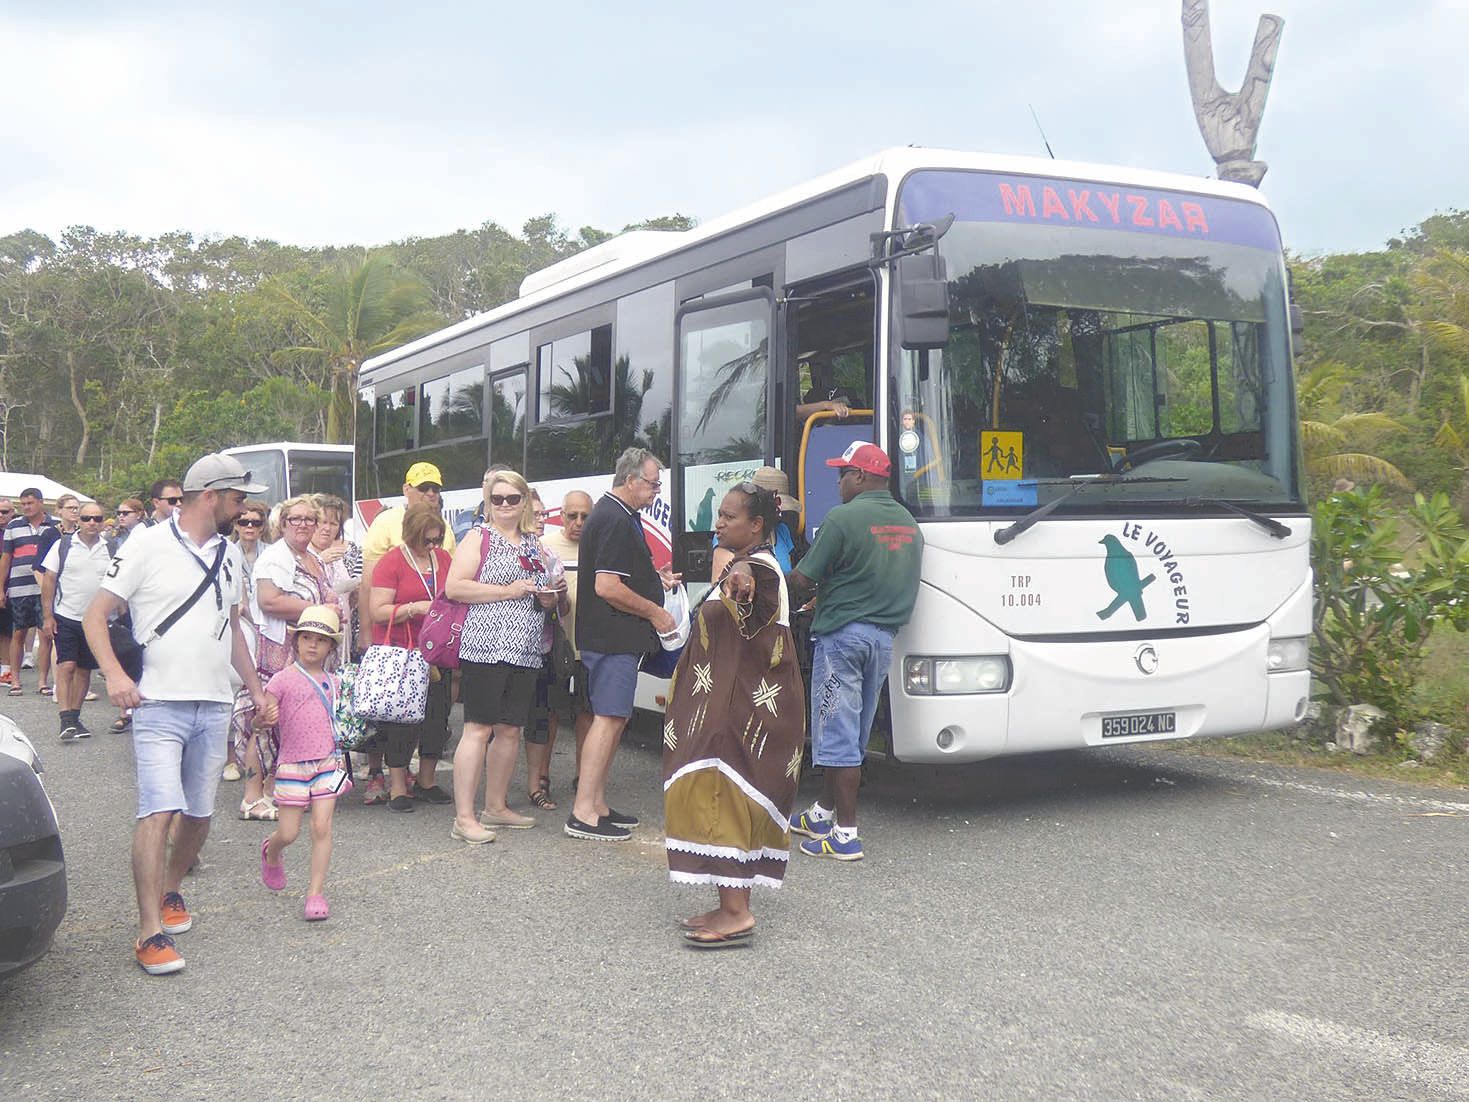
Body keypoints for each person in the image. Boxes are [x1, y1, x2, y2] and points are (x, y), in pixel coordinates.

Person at [82, 452, 276, 975]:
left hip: (214, 702)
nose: (244, 509)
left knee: (198, 814)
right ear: (209, 495)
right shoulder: (145, 545)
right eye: (237, 498)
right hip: (159, 703)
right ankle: (149, 932)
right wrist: (117, 678)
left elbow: (232, 627)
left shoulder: (230, 554)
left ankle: (172, 889)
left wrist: (255, 688)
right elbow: (95, 615)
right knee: (158, 809)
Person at [664, 484, 805, 948]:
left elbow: (752, 579)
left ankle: (737, 912)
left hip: (741, 711)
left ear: (757, 525)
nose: (719, 523)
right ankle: (729, 903)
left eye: (729, 517)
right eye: (719, 516)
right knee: (720, 799)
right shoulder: (746, 564)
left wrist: (739, 568)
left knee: (725, 800)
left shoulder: (758, 570)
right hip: (732, 706)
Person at [786, 441, 923, 861]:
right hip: (882, 640)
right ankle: (823, 812)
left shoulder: (843, 519)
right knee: (855, 731)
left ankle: (845, 835)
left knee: (836, 730)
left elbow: (805, 578)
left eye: (843, 474)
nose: (839, 482)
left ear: (861, 477)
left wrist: (769, 577)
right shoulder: (908, 523)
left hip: (842, 638)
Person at [444, 469, 561, 844]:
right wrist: (507, 590)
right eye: (498, 499)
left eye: (513, 498)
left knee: (511, 729)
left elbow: (542, 590)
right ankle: (464, 816)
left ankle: (495, 806)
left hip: (525, 647)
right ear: (488, 503)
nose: (506, 505)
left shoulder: (533, 544)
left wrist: (547, 599)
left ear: (525, 501)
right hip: (485, 645)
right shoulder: (479, 537)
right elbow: (455, 587)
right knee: (478, 727)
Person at [569, 447, 679, 842]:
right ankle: (583, 810)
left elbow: (617, 574)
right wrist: (655, 611)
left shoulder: (617, 514)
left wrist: (653, 579)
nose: (656, 491)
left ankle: (596, 803)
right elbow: (607, 586)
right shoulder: (615, 518)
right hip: (612, 637)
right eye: (652, 484)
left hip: (612, 637)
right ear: (631, 480)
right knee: (610, 718)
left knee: (614, 718)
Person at [358, 461, 458, 804]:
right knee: (403, 720)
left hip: (438, 652)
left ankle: (427, 781)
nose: (432, 546)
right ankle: (398, 784)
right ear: (411, 535)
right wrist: (413, 609)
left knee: (436, 716)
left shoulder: (443, 559)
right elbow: (377, 610)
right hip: (404, 650)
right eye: (426, 540)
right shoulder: (392, 563)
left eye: (436, 540)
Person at [246, 495, 337, 821]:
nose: (303, 525)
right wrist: (319, 611)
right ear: (282, 523)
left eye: (309, 520)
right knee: (266, 720)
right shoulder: (273, 559)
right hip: (281, 653)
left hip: (308, 654)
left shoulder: (312, 556)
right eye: (295, 519)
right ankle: (251, 796)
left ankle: (273, 790)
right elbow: (269, 601)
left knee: (291, 725)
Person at [259, 604, 351, 921]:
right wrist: (264, 717)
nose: (312, 645)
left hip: (328, 762)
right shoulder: (282, 680)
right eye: (306, 638)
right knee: (289, 832)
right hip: (293, 765)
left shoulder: (335, 683)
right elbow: (261, 722)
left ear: (331, 647)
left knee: (322, 826)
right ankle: (272, 851)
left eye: (321, 640)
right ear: (296, 641)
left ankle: (315, 893)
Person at [528, 488, 591, 810]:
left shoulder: (598, 547)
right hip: (553, 645)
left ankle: (585, 778)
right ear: (561, 515)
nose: (578, 523)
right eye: (572, 515)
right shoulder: (546, 547)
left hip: (589, 645)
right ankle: (542, 778)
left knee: (586, 714)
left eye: (585, 516)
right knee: (549, 714)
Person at [37, 501, 114, 740]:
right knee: (66, 665)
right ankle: (65, 718)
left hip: (95, 620)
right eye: (87, 518)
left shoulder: (111, 548)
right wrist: (48, 616)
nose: (92, 523)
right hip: (66, 615)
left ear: (102, 522)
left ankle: (74, 718)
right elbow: (49, 580)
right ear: (78, 520)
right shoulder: (63, 545)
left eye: (97, 519)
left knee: (84, 669)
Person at [223, 499, 270, 781]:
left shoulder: (273, 553)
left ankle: (260, 754)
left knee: (262, 693)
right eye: (244, 522)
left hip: (267, 631)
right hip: (237, 628)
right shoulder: (227, 552)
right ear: (235, 524)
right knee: (233, 690)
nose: (249, 527)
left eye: (256, 522)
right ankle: (230, 757)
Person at [1, 487, 60, 697]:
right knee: (18, 633)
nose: (26, 507)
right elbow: (6, 558)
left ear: (41, 503)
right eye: (23, 503)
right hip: (19, 588)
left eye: (30, 503)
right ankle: (15, 680)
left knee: (46, 635)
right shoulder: (13, 526)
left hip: (46, 588)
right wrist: (1, 588)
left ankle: (42, 681)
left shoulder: (54, 525)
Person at [711, 466, 799, 577]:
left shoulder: (782, 530)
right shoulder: (727, 536)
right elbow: (723, 583)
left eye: (729, 517)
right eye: (722, 516)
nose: (719, 524)